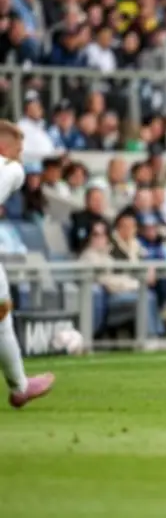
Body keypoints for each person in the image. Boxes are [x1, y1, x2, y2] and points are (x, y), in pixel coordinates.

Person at [0, 120, 54, 408]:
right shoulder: (12, 169)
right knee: (1, 320)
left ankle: (20, 383)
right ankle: (20, 386)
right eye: (18, 149)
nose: (21, 156)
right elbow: (16, 173)